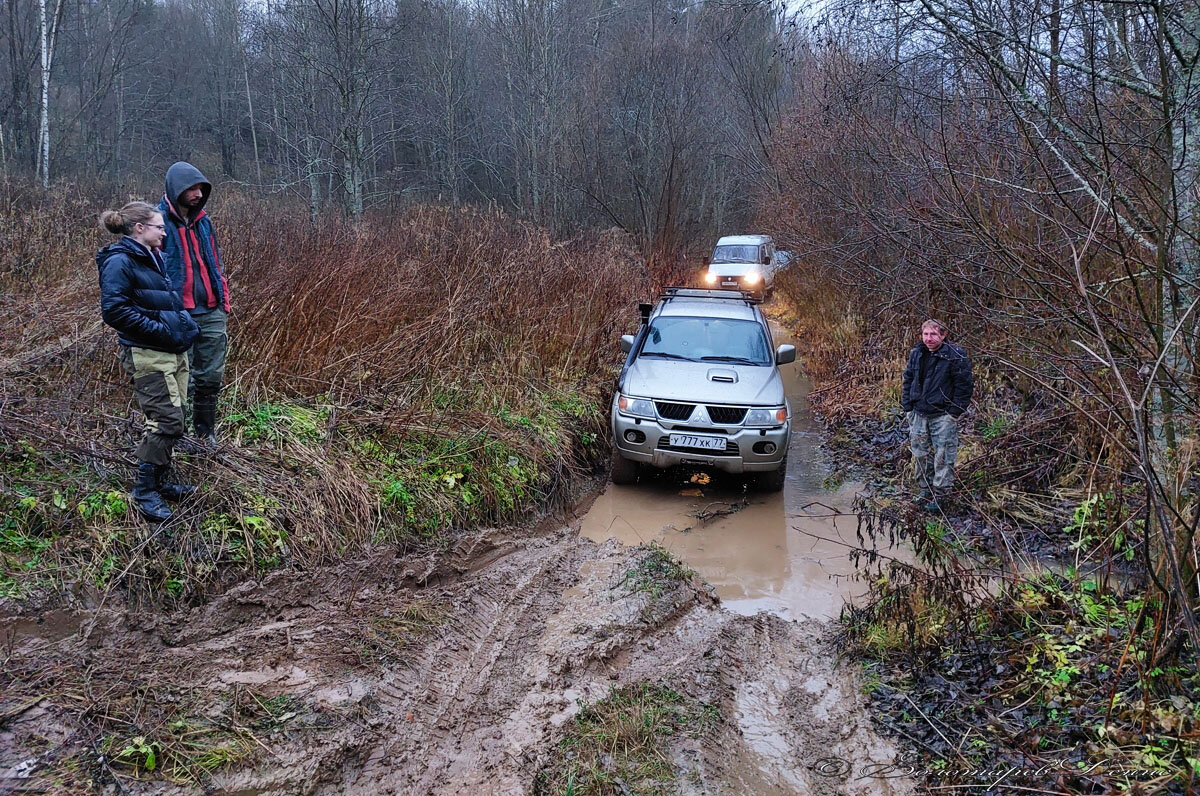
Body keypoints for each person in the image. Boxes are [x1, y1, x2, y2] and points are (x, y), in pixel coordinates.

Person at [97, 202, 200, 521]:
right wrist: (160, 332)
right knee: (166, 420)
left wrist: (185, 326)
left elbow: (164, 301)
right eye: (158, 226)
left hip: (171, 350)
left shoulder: (153, 256)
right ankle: (144, 492)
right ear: (139, 228)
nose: (164, 231)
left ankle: (161, 481)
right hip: (147, 352)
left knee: (176, 416)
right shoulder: (120, 261)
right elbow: (114, 311)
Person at [158, 162, 229, 445]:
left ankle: (206, 433)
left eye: (201, 188)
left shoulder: (204, 221)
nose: (198, 194)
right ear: (176, 190)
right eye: (191, 188)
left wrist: (223, 298)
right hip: (178, 311)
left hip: (211, 308)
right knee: (178, 377)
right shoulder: (157, 220)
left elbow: (215, 260)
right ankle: (178, 435)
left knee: (210, 375)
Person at [901, 319, 974, 511]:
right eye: (926, 334)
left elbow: (964, 387)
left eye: (933, 334)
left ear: (943, 335)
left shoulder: (955, 356)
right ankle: (924, 490)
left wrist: (954, 413)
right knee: (920, 454)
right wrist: (907, 406)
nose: (929, 339)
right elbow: (908, 378)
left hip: (943, 415)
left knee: (944, 455)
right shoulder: (917, 353)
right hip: (918, 412)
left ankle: (942, 495)